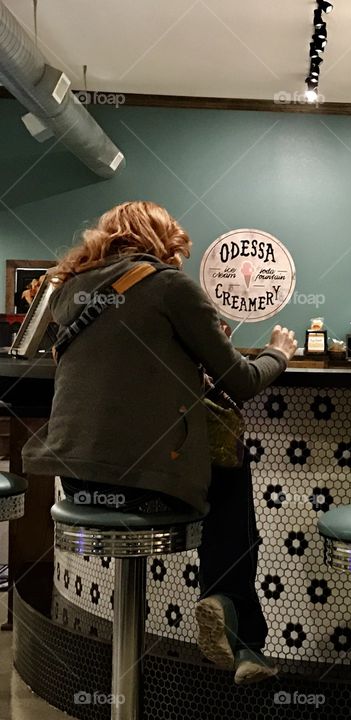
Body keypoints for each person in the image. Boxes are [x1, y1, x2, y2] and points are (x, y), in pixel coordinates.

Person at [23, 200, 298, 685]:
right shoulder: (169, 285)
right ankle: (234, 618)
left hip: (76, 485)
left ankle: (206, 631)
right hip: (146, 491)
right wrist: (279, 352)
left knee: (220, 477)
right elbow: (242, 381)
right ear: (164, 241)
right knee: (231, 472)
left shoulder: (67, 291)